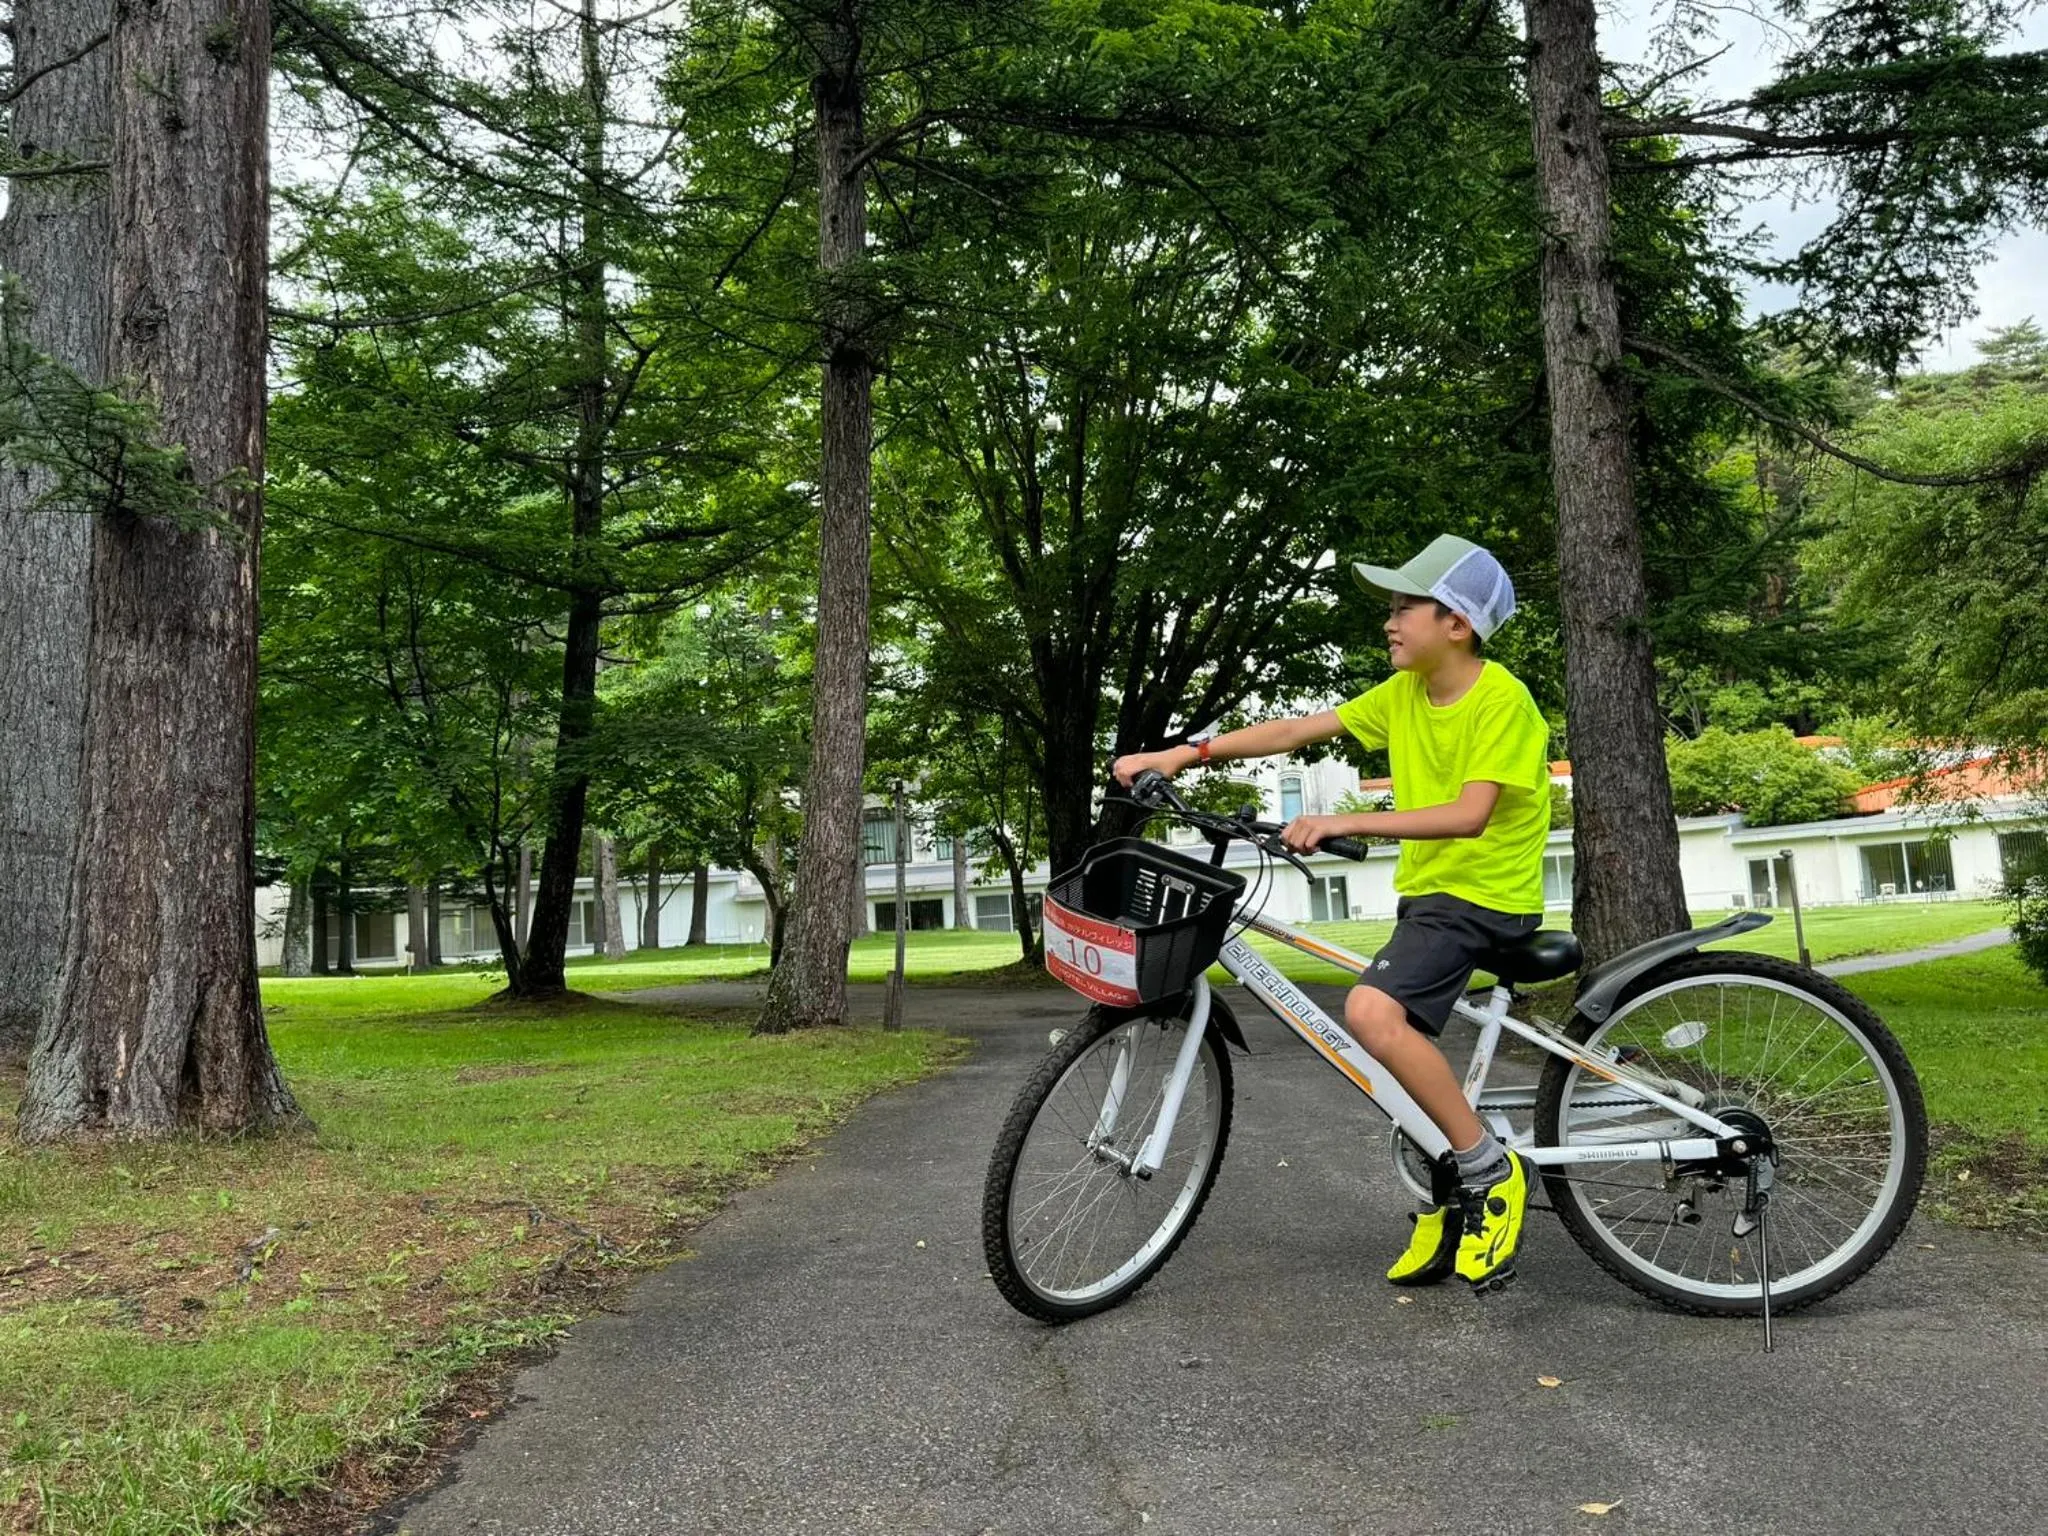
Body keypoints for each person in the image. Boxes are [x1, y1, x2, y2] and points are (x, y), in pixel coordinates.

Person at [1112, 533, 1551, 1290]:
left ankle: (1489, 1169)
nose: (1390, 618)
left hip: (1484, 899)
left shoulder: (1501, 700)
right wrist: (1181, 755)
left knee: (1374, 1014)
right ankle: (1450, 1191)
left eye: (1406, 605)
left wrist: (1344, 821)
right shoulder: (1403, 696)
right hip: (1434, 902)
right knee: (1400, 1049)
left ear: (1458, 623)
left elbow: (1470, 814)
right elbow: (1293, 731)